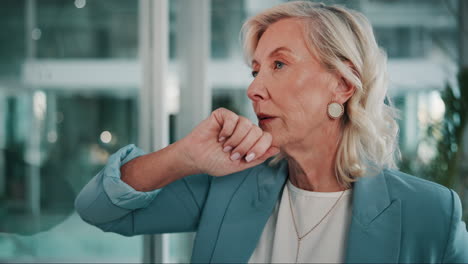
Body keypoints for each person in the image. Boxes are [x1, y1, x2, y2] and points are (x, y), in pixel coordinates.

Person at [74, 1, 468, 263]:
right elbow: (97, 209)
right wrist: (184, 156)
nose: (254, 89)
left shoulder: (432, 214)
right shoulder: (226, 186)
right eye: (255, 70)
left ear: (344, 84)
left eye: (279, 65)